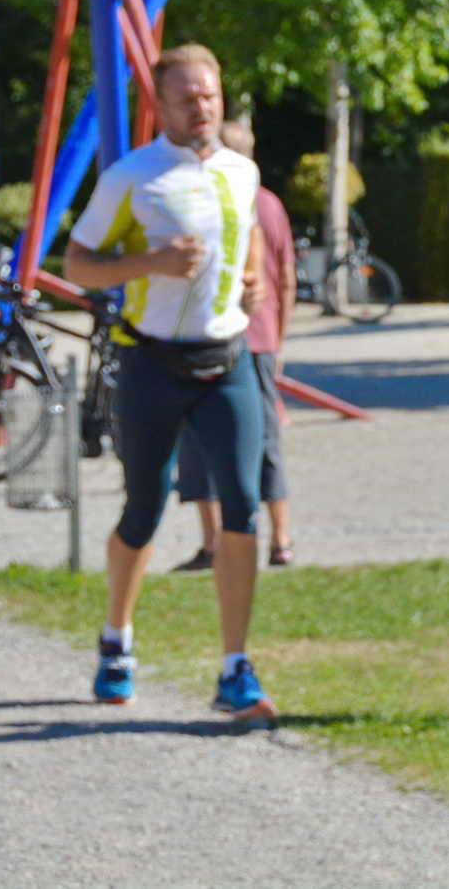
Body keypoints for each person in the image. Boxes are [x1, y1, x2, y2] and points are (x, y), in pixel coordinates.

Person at [65, 43, 277, 720]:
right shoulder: (132, 176)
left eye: (209, 95)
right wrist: (151, 262)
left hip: (226, 362)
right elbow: (77, 264)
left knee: (242, 506)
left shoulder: (242, 170)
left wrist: (254, 279)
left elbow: (248, 236)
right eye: (187, 98)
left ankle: (235, 666)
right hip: (151, 363)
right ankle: (116, 641)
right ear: (160, 105)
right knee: (144, 507)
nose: (201, 108)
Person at [171, 118, 298, 572]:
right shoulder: (271, 203)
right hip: (259, 338)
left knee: (197, 439)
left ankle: (212, 543)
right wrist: (279, 339)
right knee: (264, 439)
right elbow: (287, 278)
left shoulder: (209, 199)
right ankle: (280, 539)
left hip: (213, 335)